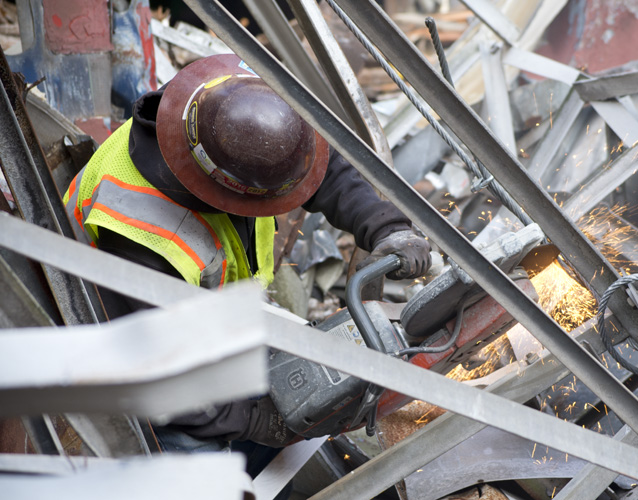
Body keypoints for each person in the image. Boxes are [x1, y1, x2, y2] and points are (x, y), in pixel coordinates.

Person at [62, 53, 430, 464]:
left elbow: (309, 165)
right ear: (227, 193)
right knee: (211, 468)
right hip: (127, 359)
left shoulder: (217, 103)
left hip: (205, 319)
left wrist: (384, 226)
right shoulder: (139, 236)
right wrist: (258, 421)